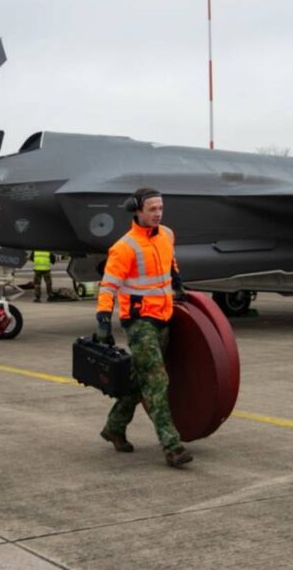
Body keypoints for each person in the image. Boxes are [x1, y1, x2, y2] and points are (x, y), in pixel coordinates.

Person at [95, 188, 192, 468]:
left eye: (160, 207)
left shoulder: (167, 235)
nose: (158, 213)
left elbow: (170, 263)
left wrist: (178, 285)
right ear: (137, 210)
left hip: (164, 315)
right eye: (152, 209)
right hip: (139, 322)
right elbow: (108, 286)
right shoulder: (124, 247)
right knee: (157, 380)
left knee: (139, 381)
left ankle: (114, 426)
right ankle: (172, 445)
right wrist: (103, 319)